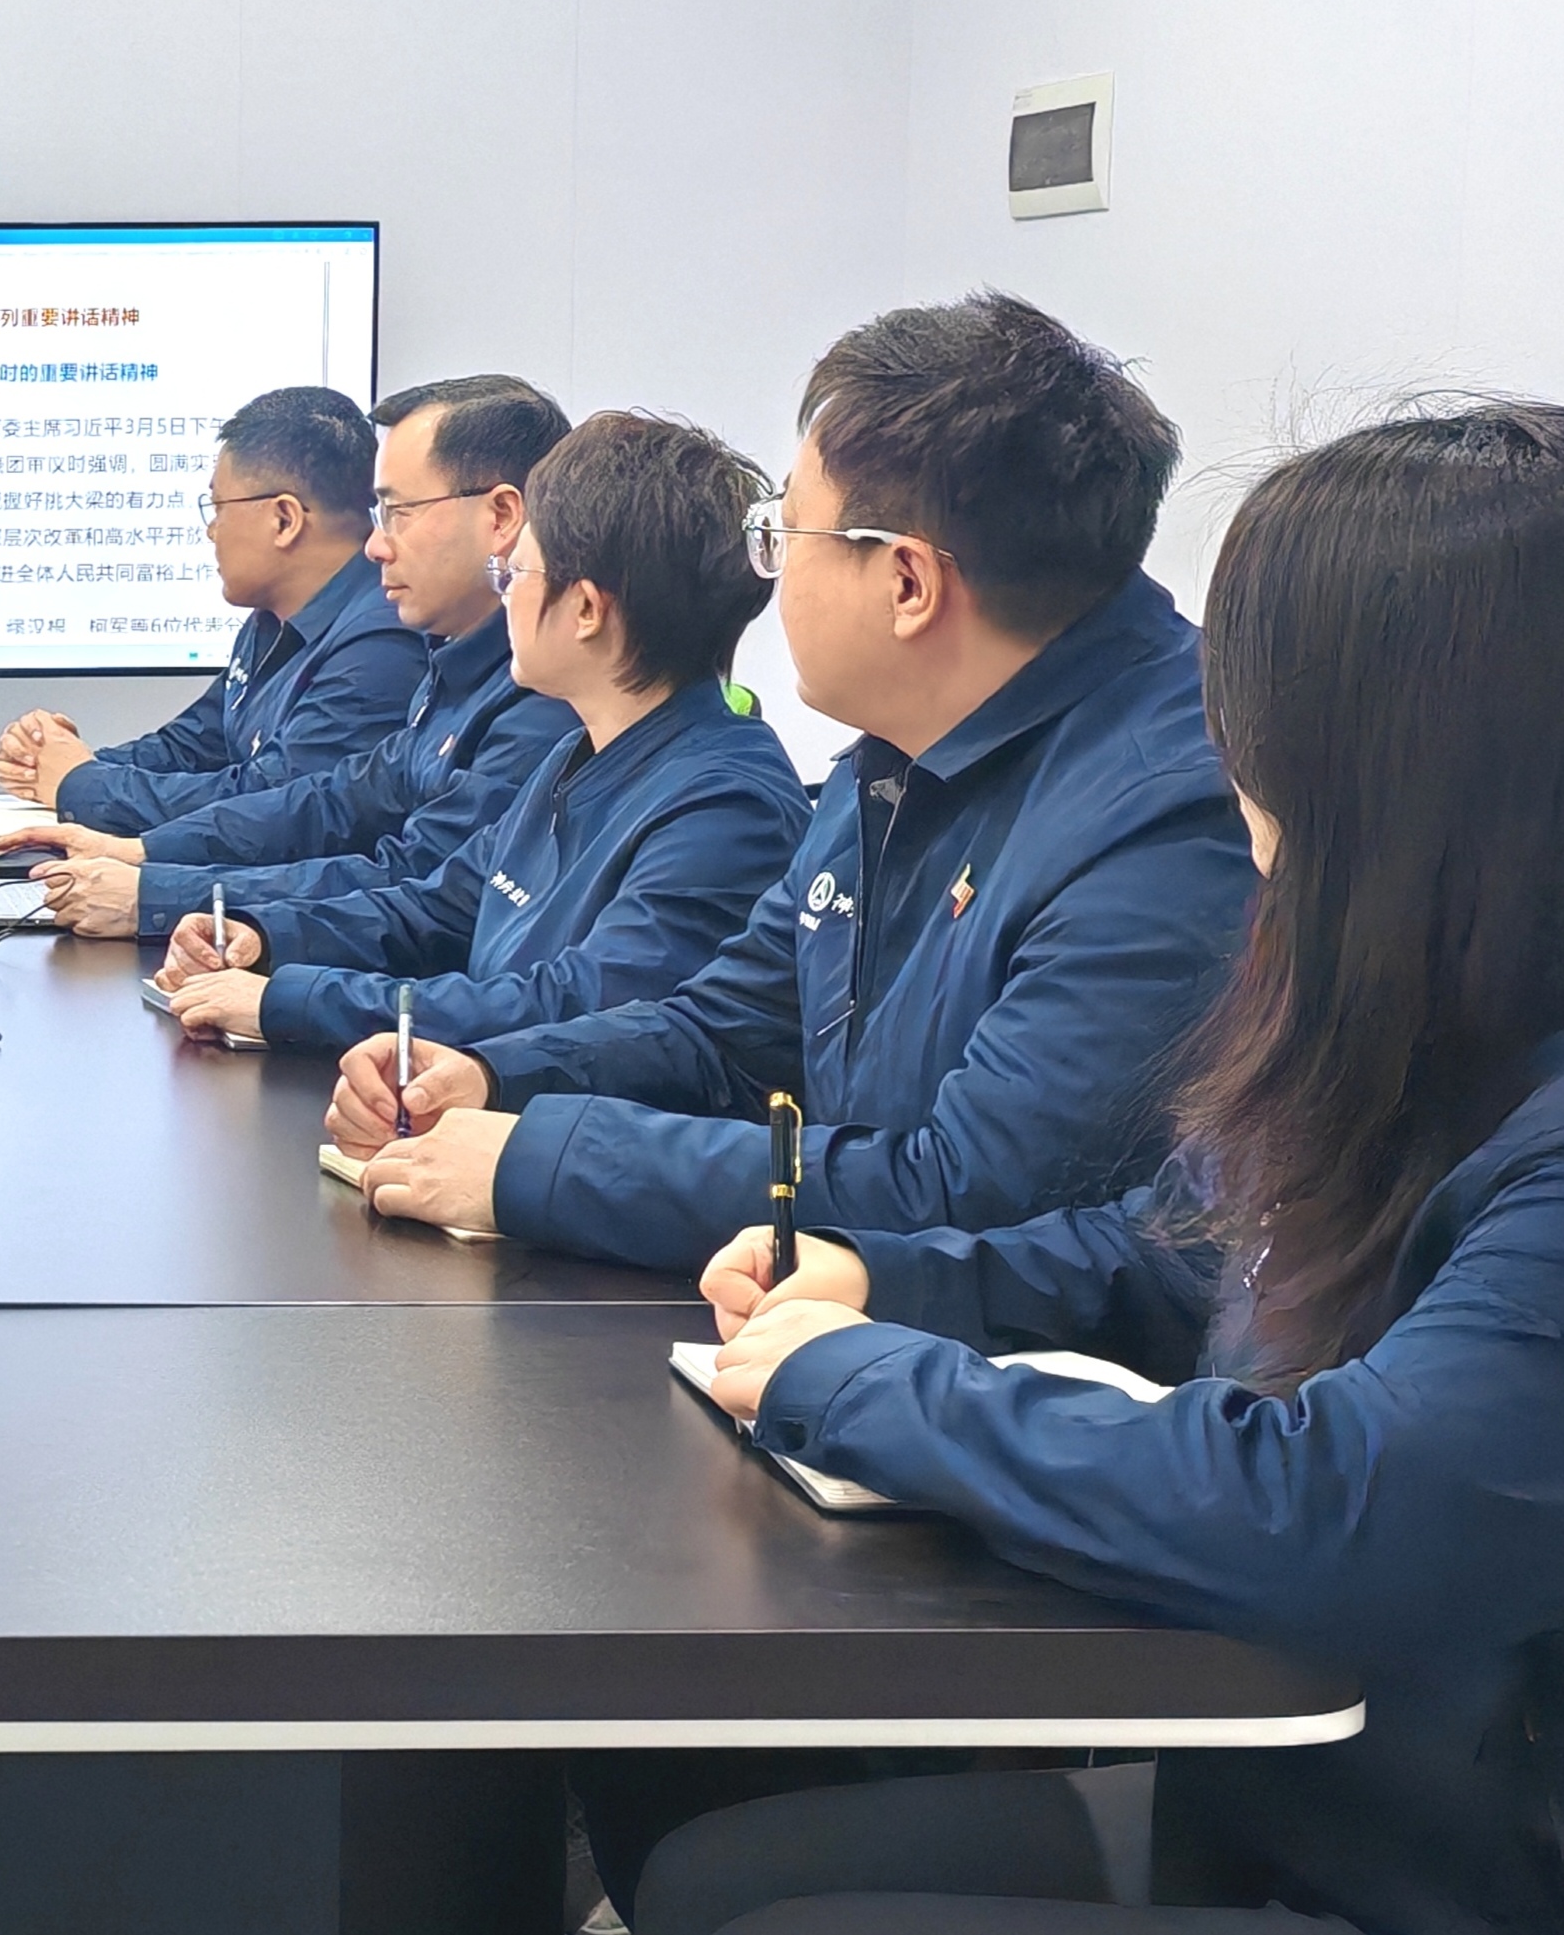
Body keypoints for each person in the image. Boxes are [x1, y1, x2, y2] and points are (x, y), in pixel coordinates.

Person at [649, 400, 1564, 1935]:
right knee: (706, 1859)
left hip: (1434, 1873)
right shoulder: (1409, 1022)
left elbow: (1330, 1513)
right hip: (1288, 1799)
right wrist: (884, 1282)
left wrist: (863, 1380)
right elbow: (1179, 1250)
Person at [334, 295, 1256, 1271]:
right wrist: (491, 1076)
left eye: (784, 532)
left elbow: (965, 1188)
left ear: (906, 583)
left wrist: (544, 1160)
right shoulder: (895, 749)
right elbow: (726, 1031)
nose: (769, 574)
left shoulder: (1166, 821)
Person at [150, 411, 807, 1055]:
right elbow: (436, 906)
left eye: (515, 575)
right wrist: (263, 936)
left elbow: (573, 1007)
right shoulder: (576, 756)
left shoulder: (725, 809)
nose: (506, 595)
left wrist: (294, 999)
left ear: (584, 608)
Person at [0, 376, 581, 941]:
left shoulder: (527, 695)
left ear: (502, 517)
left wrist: (157, 890)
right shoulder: (451, 664)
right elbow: (330, 801)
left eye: (399, 512)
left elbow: (419, 889)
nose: (377, 545)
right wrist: (139, 850)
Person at [0, 384, 422, 837]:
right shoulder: (271, 622)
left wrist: (82, 783)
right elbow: (192, 747)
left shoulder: (381, 644)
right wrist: (58, 760)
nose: (212, 531)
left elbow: (265, 804)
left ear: (284, 519)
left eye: (218, 507)